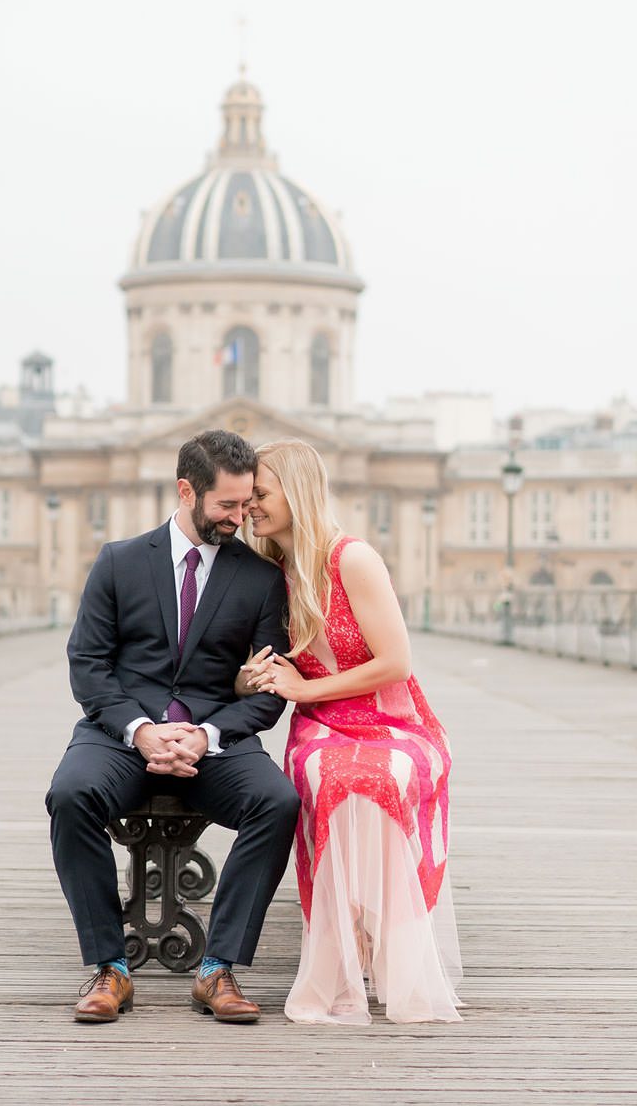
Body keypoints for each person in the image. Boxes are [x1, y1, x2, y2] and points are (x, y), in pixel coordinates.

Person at [46, 430, 300, 1025]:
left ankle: (219, 969)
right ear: (187, 491)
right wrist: (139, 729)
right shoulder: (119, 561)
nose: (242, 517)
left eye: (247, 504)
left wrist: (205, 735)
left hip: (216, 741)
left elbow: (269, 686)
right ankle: (110, 966)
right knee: (70, 794)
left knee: (279, 801)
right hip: (121, 738)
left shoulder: (261, 578)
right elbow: (87, 663)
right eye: (228, 506)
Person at [240, 438, 463, 1025]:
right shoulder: (267, 575)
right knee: (331, 774)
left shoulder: (351, 559)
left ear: (297, 492)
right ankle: (349, 942)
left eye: (260, 494)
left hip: (393, 720)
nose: (249, 508)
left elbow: (396, 663)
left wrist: (305, 689)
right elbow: (258, 672)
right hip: (322, 727)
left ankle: (375, 937)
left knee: (379, 775)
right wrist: (255, 678)